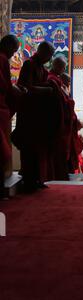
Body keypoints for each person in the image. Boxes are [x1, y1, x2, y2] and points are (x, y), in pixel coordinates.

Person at [12, 41, 58, 192]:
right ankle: (28, 180)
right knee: (28, 148)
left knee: (38, 148)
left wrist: (51, 86)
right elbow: (26, 87)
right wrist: (46, 90)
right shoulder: (29, 65)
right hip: (28, 113)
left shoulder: (41, 68)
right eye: (49, 55)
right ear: (42, 52)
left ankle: (37, 178)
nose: (49, 59)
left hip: (38, 115)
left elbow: (42, 83)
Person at [0, 35, 22, 200]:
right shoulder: (1, 60)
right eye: (13, 50)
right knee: (3, 150)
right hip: (1, 111)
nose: (12, 54)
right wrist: (20, 92)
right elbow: (6, 86)